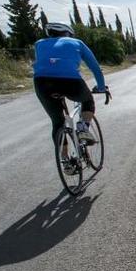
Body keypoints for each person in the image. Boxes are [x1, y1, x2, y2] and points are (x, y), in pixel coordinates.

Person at [33, 23, 107, 172]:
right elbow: (95, 67)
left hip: (42, 82)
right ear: (68, 34)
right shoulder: (77, 43)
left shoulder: (39, 44)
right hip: (70, 81)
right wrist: (101, 87)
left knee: (57, 122)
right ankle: (82, 129)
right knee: (87, 101)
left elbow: (42, 63)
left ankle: (66, 161)